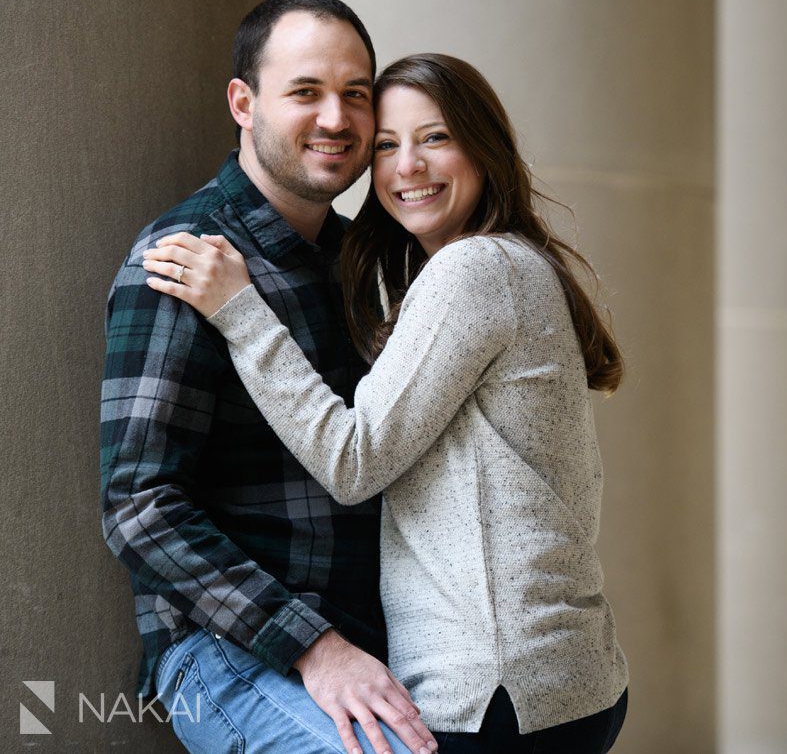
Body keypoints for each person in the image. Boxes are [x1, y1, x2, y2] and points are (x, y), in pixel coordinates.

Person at [143, 53, 630, 753]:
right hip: (568, 679)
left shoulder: (472, 268)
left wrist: (240, 309)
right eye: (387, 146)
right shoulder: (517, 264)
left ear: (483, 146)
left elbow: (352, 458)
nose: (409, 166)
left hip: (495, 690)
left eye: (435, 137)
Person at [101, 0, 437, 754]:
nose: (336, 118)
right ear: (243, 102)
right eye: (306, 92)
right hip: (232, 649)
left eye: (356, 94)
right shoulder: (184, 258)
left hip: (372, 646)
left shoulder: (364, 262)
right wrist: (313, 647)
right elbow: (138, 504)